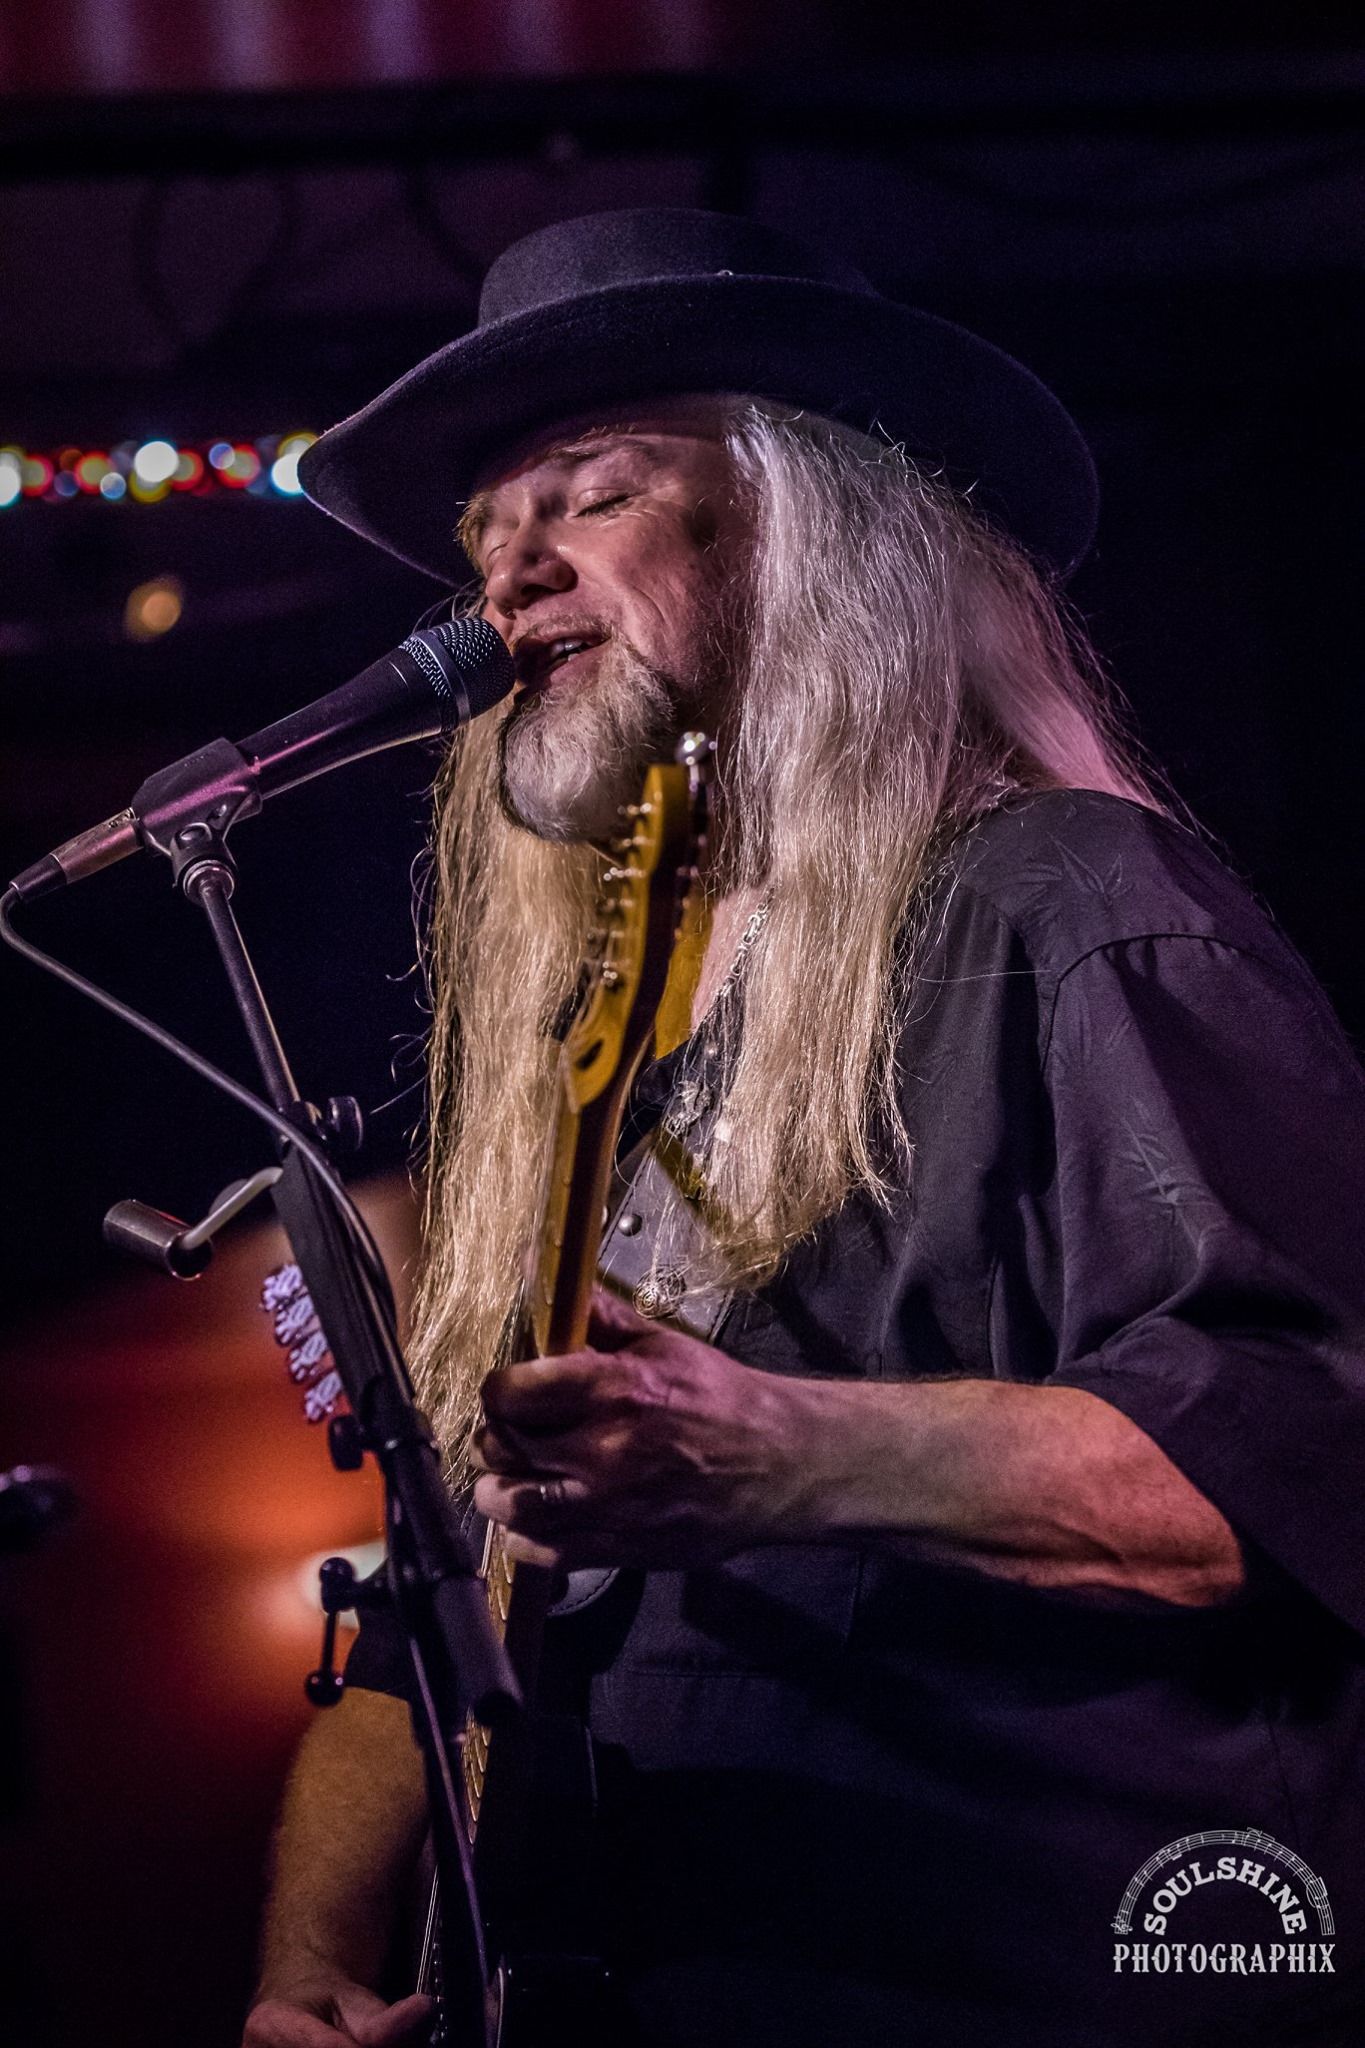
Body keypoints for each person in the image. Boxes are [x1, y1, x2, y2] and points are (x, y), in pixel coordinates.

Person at [245, 209, 1365, 2048]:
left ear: (805, 530)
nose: (503, 577)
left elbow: (1299, 1451)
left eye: (587, 496)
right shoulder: (599, 1024)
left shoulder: (1068, 903)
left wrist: (788, 1454)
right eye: (482, 539)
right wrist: (313, 1959)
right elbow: (458, 1574)